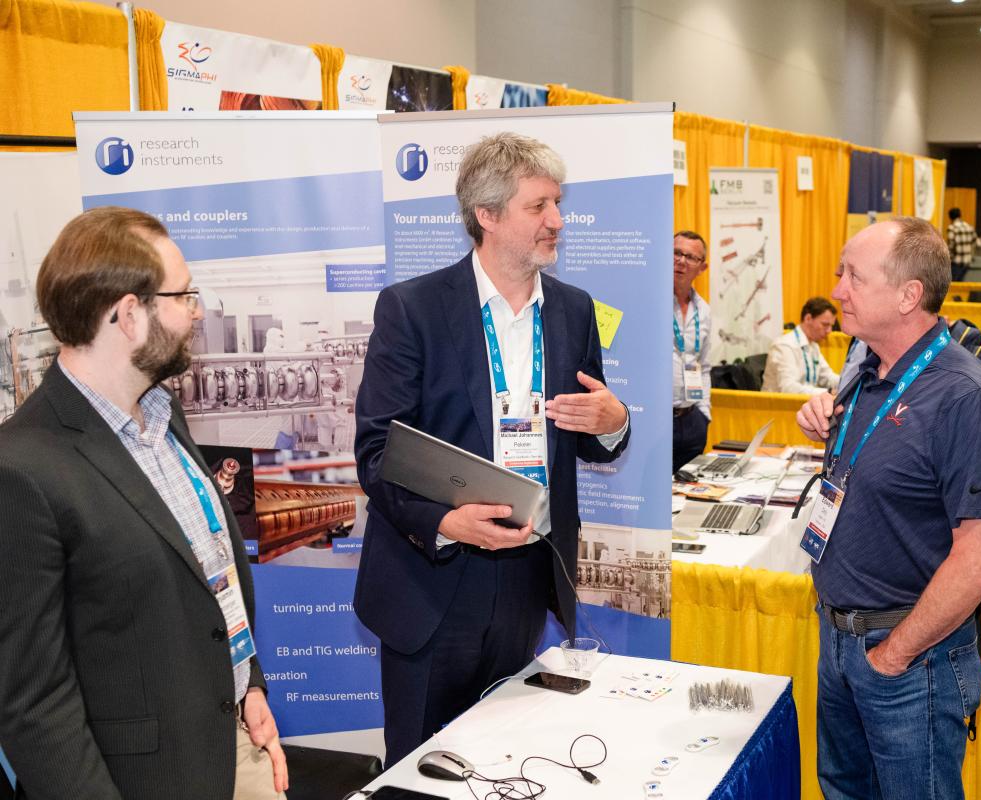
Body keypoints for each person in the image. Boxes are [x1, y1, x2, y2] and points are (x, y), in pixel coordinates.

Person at [353, 132, 631, 765]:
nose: (557, 220)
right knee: (422, 771)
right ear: (487, 214)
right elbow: (377, 452)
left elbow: (592, 442)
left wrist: (614, 421)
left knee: (506, 764)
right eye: (539, 206)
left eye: (557, 203)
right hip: (433, 582)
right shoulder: (413, 309)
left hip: (526, 579)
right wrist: (446, 521)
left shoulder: (573, 311)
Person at [0, 207, 287, 799]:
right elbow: (33, 704)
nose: (197, 312)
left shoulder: (163, 414)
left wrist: (249, 685)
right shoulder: (21, 470)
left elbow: (209, 577)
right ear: (130, 315)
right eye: (184, 295)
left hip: (232, 742)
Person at [795, 217, 981, 800]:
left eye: (854, 276)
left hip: (910, 657)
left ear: (908, 295)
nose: (837, 289)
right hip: (839, 640)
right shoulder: (867, 373)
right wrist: (822, 418)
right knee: (843, 790)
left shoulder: (969, 399)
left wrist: (892, 657)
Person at [671, 230, 711, 473]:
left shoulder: (704, 310)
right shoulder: (650, 302)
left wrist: (704, 414)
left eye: (690, 257)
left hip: (692, 418)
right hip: (657, 419)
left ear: (702, 267)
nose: (681, 261)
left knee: (688, 490)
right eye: (676, 253)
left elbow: (704, 366)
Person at [761, 296, 840, 395]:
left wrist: (849, 383)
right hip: (778, 404)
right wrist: (828, 392)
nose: (829, 331)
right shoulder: (785, 346)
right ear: (808, 319)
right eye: (825, 325)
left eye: (831, 326)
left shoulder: (813, 346)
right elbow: (789, 388)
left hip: (802, 402)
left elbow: (827, 376)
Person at [945, 207, 981, 282]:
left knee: (953, 283)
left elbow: (950, 247)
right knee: (960, 283)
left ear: (950, 217)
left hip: (956, 262)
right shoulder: (969, 227)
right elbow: (978, 244)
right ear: (960, 215)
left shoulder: (952, 228)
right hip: (967, 262)